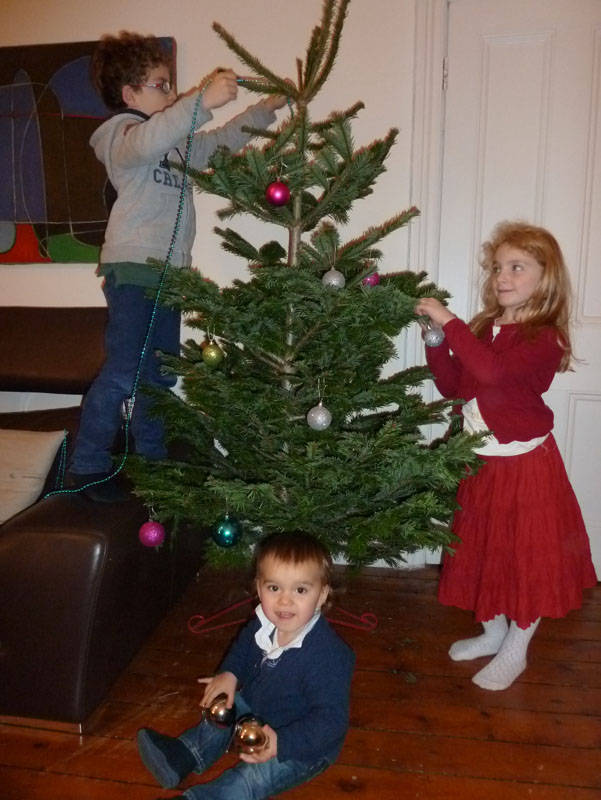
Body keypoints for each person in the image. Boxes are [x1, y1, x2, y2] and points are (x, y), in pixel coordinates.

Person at [67, 31, 287, 502]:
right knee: (124, 371)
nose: (171, 93)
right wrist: (199, 101)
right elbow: (148, 141)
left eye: (171, 85)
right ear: (129, 94)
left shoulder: (174, 144)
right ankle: (86, 465)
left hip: (169, 277)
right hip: (133, 271)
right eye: (161, 85)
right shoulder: (120, 138)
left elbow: (219, 142)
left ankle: (153, 462)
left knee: (160, 374)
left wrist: (264, 109)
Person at [415, 221, 597, 691]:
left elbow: (493, 373)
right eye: (497, 267)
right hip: (480, 462)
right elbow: (456, 386)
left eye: (517, 267)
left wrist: (448, 320)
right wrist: (435, 341)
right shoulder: (483, 328)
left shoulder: (544, 336)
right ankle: (493, 632)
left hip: (524, 465)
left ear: (545, 277)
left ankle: (517, 646)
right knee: (482, 549)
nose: (502, 276)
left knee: (524, 557)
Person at [137, 531, 356, 799]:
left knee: (251, 778)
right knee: (226, 709)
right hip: (259, 707)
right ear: (259, 587)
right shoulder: (263, 623)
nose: (284, 601)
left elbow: (331, 721)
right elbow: (242, 649)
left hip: (302, 744)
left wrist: (281, 742)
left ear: (322, 595)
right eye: (274, 588)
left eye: (300, 590)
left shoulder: (328, 656)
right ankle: (184, 755)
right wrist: (229, 674)